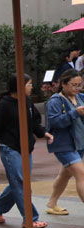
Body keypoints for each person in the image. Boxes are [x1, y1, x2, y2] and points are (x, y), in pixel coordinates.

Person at [0, 73, 51, 228]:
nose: (31, 87)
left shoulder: (27, 101)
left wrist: (43, 133)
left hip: (26, 147)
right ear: (19, 87)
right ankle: (30, 218)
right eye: (29, 84)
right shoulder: (5, 105)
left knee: (19, 183)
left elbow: (34, 121)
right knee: (21, 183)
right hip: (9, 148)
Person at [44, 69, 84, 216]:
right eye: (74, 85)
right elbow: (54, 122)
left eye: (79, 85)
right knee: (81, 175)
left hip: (79, 143)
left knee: (65, 175)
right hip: (64, 145)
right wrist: (75, 113)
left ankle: (52, 203)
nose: (77, 88)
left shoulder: (81, 98)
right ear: (64, 84)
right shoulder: (55, 101)